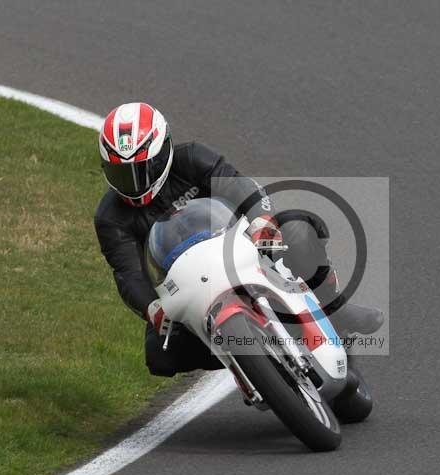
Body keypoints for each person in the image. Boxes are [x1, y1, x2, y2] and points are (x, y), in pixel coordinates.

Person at [94, 102, 383, 377]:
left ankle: (335, 308)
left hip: (239, 246)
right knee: (160, 355)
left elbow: (240, 186)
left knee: (298, 232)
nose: (134, 183)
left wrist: (260, 221)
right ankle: (250, 363)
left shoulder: (193, 158)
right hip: (185, 284)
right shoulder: (110, 217)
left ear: (162, 154)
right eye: (122, 174)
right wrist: (151, 308)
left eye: (142, 169)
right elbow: (128, 273)